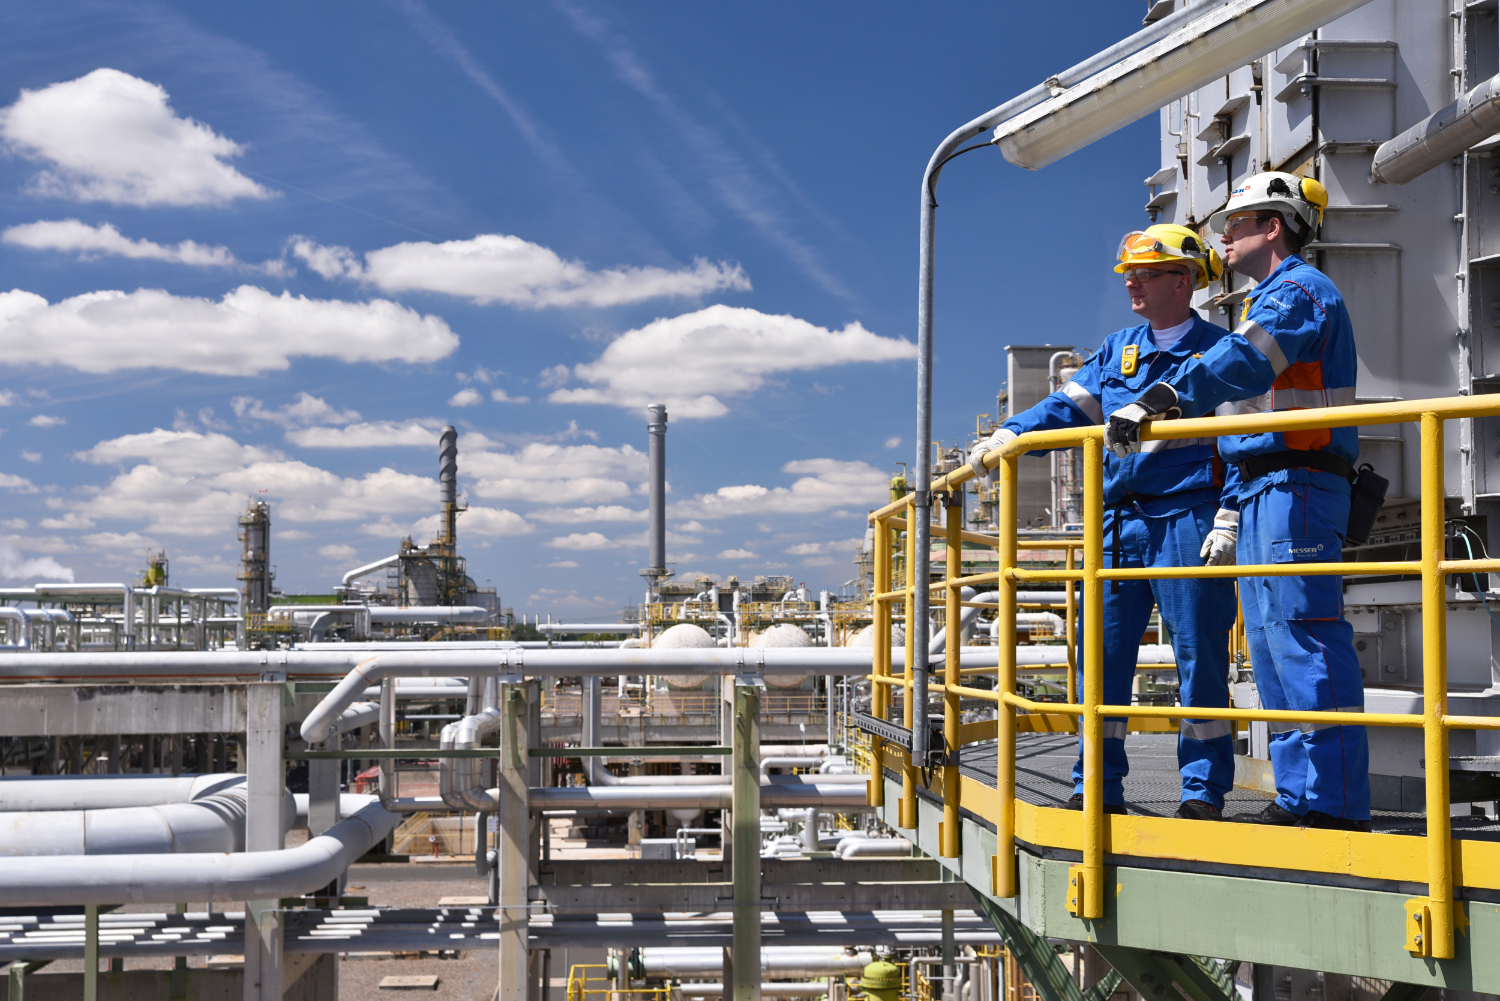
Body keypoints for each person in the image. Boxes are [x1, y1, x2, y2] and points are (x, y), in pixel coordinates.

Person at [1103, 172, 1370, 832]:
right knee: (1274, 649)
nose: (1224, 233)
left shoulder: (1300, 292)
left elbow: (1242, 365)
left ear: (1273, 228)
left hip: (1298, 482)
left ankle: (1333, 803)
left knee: (1302, 638)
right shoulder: (1266, 299)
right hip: (1263, 486)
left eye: (1240, 221)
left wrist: (1159, 397)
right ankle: (1301, 793)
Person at [970, 223, 1240, 820]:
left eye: (1144, 274)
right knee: (1103, 657)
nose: (1132, 285)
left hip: (1188, 517)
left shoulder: (1220, 356)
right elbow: (1067, 406)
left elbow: (1244, 441)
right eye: (1128, 276)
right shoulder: (1120, 350)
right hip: (1117, 525)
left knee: (1200, 659)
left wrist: (1229, 513)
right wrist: (1012, 433)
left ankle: (1201, 793)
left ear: (1184, 280)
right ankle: (1095, 783)